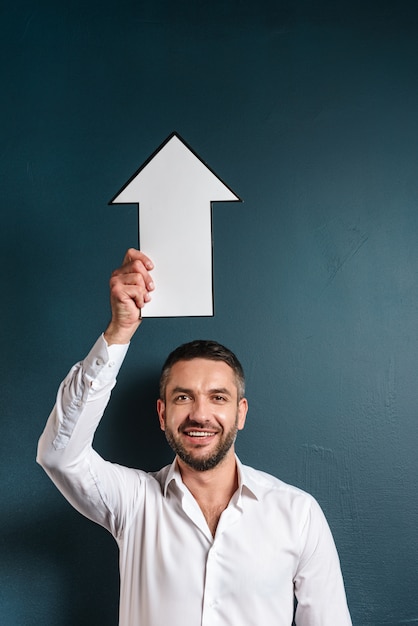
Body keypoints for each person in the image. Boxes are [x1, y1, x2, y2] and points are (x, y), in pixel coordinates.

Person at [37, 248, 352, 626]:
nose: (200, 414)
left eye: (218, 397)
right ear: (162, 414)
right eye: (183, 397)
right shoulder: (133, 502)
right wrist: (119, 331)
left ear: (241, 413)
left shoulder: (298, 515)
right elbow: (59, 454)